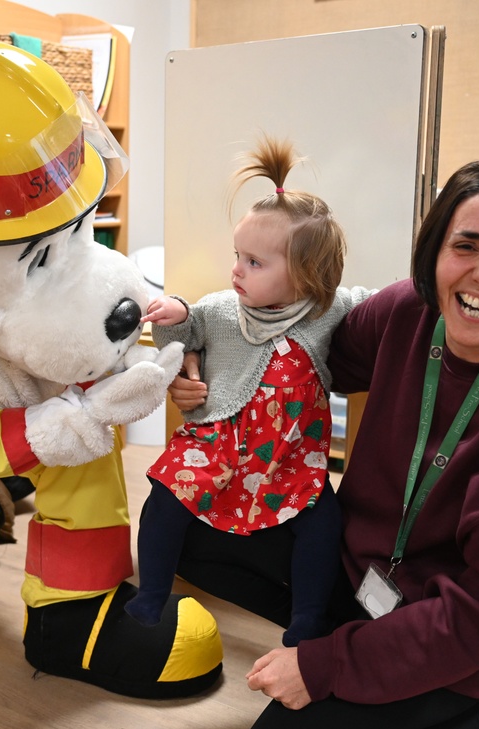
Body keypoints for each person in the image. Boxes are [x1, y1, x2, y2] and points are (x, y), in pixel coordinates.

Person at [168, 158, 479, 729]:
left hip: (463, 631)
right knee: (185, 526)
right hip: (366, 572)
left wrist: (326, 666)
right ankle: (358, 648)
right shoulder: (407, 310)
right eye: (466, 246)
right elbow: (319, 354)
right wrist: (206, 361)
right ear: (433, 254)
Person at [123, 136, 369, 647]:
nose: (237, 269)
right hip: (215, 443)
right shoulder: (219, 308)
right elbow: (184, 336)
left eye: (255, 263)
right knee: (165, 495)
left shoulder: (328, 312)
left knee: (322, 523)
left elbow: (379, 306)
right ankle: (152, 592)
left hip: (290, 455)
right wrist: (175, 313)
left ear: (306, 276)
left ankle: (307, 616)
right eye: (239, 256)